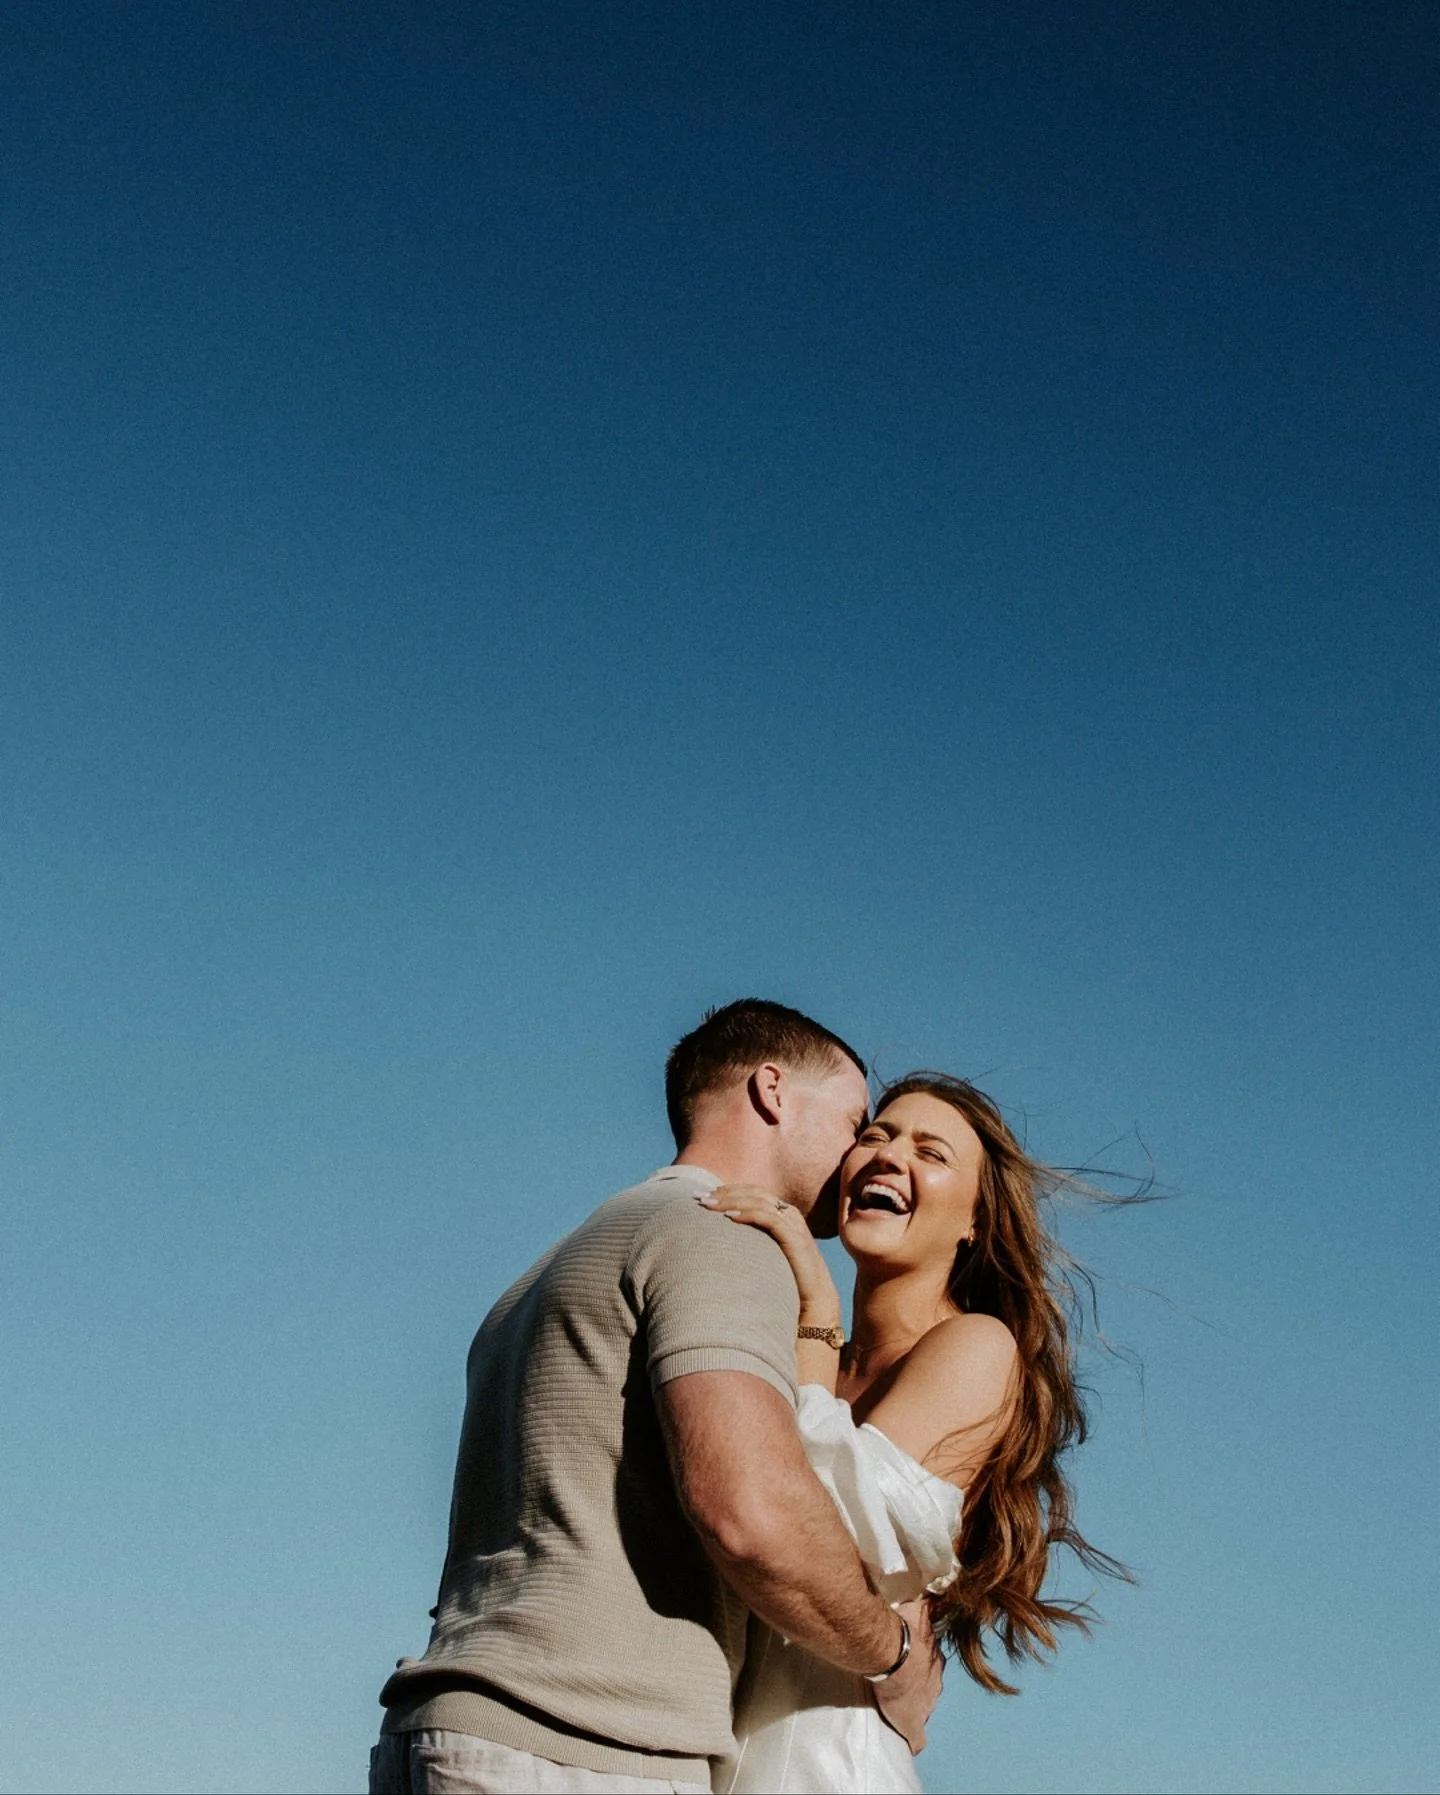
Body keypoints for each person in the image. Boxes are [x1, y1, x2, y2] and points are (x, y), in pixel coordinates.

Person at [369, 1001, 943, 1795]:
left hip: (448, 1730)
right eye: (855, 1121)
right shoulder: (721, 1234)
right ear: (773, 1090)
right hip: (580, 1750)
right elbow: (750, 1511)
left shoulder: (546, 1271)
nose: (860, 1154)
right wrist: (896, 1658)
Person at [705, 1072, 1128, 1794]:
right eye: (875, 1134)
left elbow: (818, 1524)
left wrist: (814, 1300)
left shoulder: (976, 1346)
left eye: (931, 1152)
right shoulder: (810, 1357)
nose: (889, 1155)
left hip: (823, 1765)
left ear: (974, 1222)